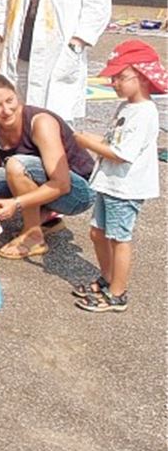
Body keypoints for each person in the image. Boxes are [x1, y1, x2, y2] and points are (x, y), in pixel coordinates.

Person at [0, 74, 94, 259]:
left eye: (10, 100)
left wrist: (16, 203)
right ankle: (45, 217)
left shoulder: (40, 122)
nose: (6, 110)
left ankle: (33, 236)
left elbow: (62, 184)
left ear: (16, 95)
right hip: (44, 187)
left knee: (16, 165)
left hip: (77, 192)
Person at [71, 40, 165, 312]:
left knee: (118, 238)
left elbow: (122, 153)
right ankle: (108, 277)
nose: (114, 83)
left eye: (121, 77)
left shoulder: (145, 113)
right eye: (113, 78)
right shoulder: (127, 107)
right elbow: (114, 140)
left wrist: (88, 143)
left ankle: (118, 293)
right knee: (97, 232)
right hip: (110, 183)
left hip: (126, 188)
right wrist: (91, 138)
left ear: (143, 77)